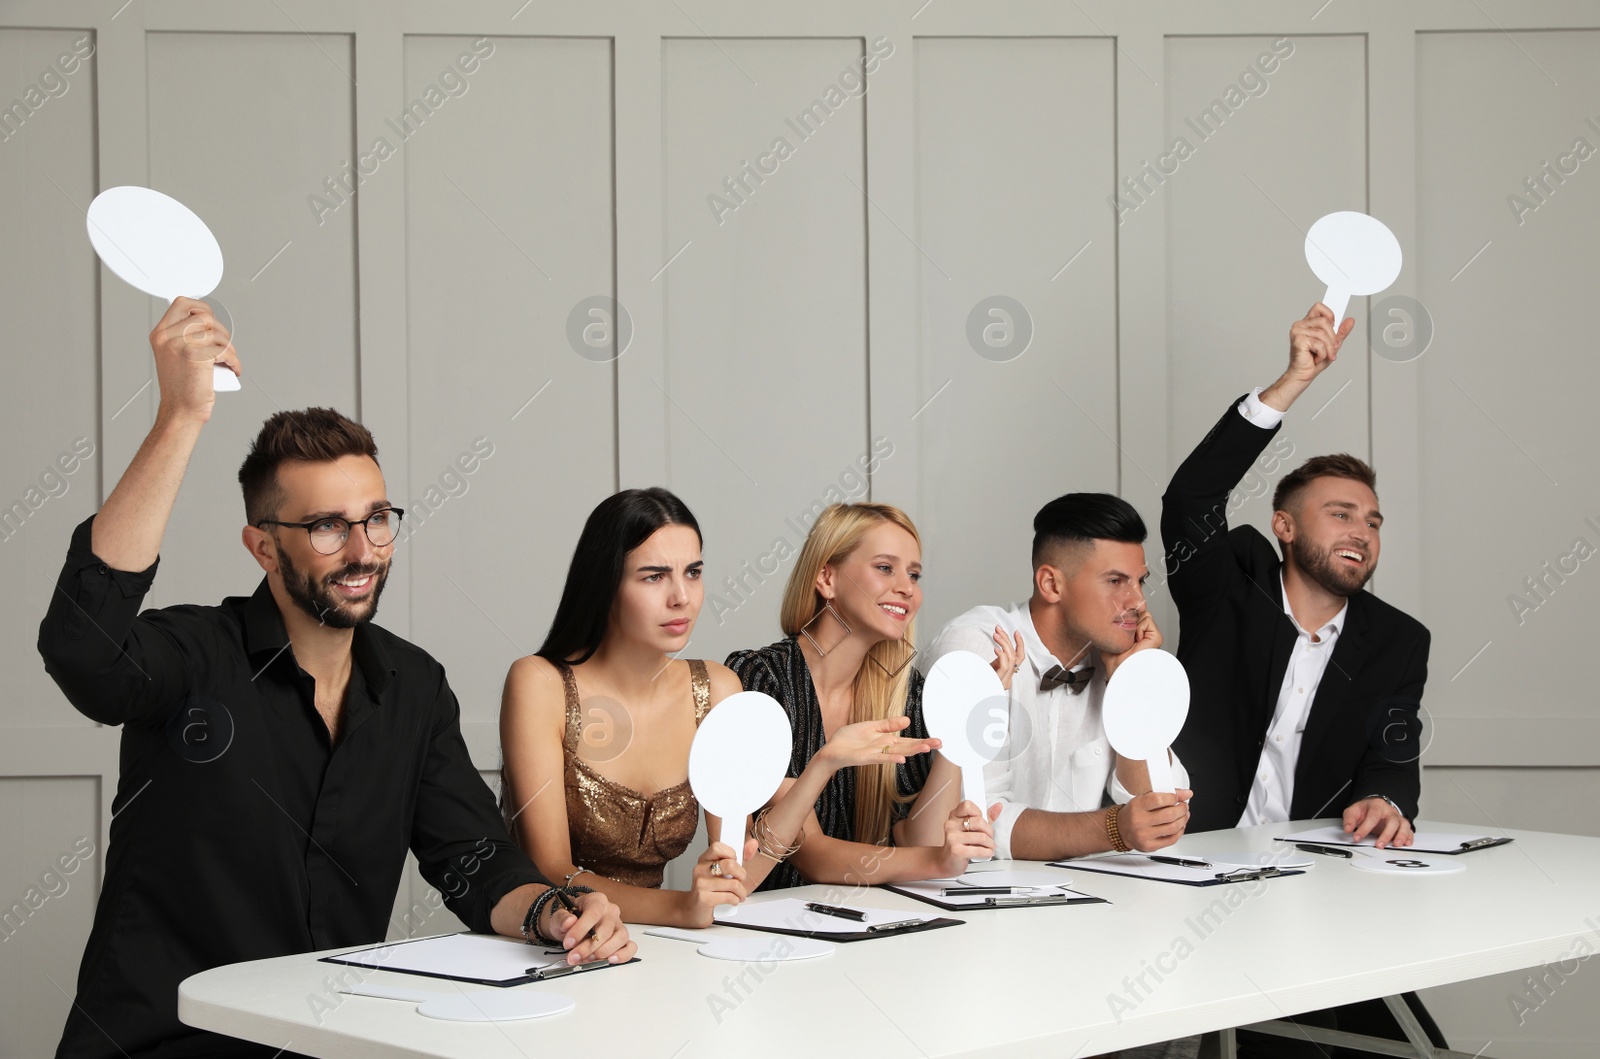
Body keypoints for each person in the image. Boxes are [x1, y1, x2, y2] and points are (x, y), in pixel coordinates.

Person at [37, 299, 632, 1059]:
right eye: (326, 526)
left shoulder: (414, 686)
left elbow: (474, 859)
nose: (362, 549)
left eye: (376, 517)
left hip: (330, 1044)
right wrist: (180, 418)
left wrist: (555, 910)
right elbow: (82, 649)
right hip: (161, 1044)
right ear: (261, 546)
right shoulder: (192, 655)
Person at [1164, 304, 1443, 1057]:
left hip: (1311, 886)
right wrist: (1292, 380)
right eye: (1341, 513)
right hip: (1184, 869)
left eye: (1374, 521)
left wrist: (1387, 798)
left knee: (1404, 1043)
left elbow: (1394, 749)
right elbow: (1191, 501)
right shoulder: (1230, 583)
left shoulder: (1396, 640)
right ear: (1285, 526)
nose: (1361, 531)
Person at [499, 488, 939, 925]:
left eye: (693, 573)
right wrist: (683, 907)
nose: (681, 598)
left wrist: (824, 763)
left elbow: (741, 874)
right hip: (551, 945)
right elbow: (553, 871)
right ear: (605, 583)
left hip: (653, 945)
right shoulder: (540, 683)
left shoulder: (716, 688)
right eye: (653, 576)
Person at [727, 503, 1000, 892]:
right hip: (771, 924)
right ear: (827, 578)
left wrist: (961, 721)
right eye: (885, 568)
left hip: (873, 921)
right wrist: (938, 861)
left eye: (914, 574)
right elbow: (810, 855)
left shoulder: (907, 692)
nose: (907, 587)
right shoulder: (760, 679)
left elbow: (918, 841)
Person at [926, 493, 1192, 861]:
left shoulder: (1114, 658)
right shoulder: (976, 648)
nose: (1138, 602)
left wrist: (1129, 684)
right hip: (970, 893)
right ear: (1051, 584)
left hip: (1079, 894)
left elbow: (1159, 810)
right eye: (1116, 581)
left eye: (1139, 582)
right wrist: (1116, 828)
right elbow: (980, 819)